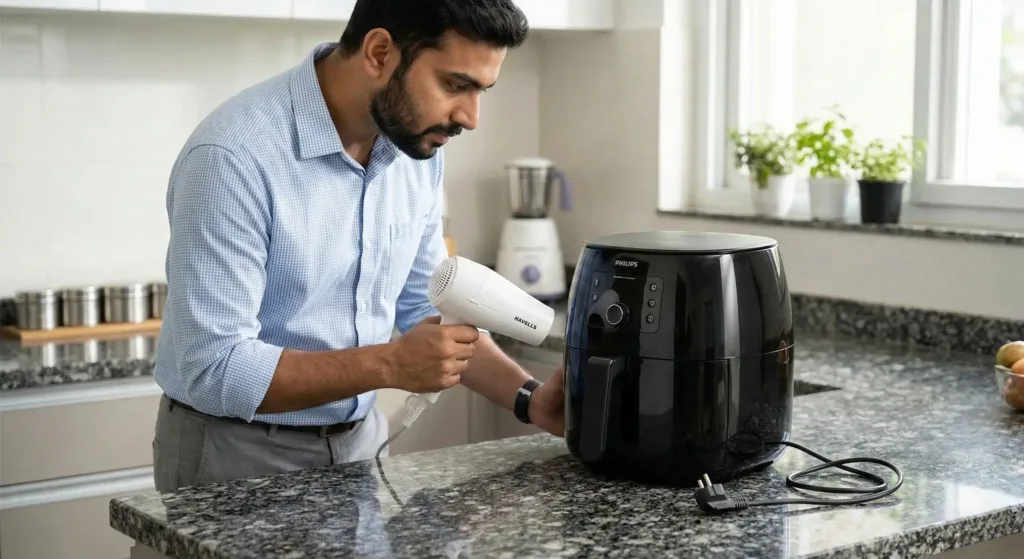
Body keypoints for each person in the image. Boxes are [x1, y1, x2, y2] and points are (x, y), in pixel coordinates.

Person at [151, 0, 564, 492]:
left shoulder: (415, 151)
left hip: (359, 447)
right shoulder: (233, 157)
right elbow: (213, 367)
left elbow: (427, 307)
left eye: (482, 91)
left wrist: (530, 399)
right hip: (236, 456)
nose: (470, 117)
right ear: (379, 52)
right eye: (456, 85)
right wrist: (389, 364)